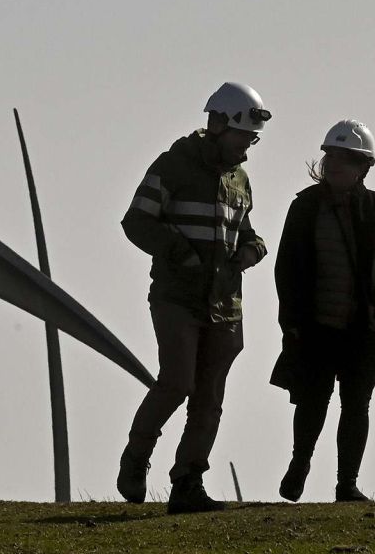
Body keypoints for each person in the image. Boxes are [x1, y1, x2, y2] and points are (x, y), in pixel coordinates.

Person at [116, 81, 272, 514]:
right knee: (178, 382)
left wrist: (251, 252)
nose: (247, 147)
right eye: (244, 136)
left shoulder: (241, 180)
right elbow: (135, 222)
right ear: (219, 125)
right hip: (177, 298)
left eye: (251, 139)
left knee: (209, 400)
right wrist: (177, 249)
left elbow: (249, 234)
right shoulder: (172, 166)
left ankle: (188, 483)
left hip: (225, 305)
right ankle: (137, 454)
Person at [270, 119, 375, 502]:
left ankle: (346, 484)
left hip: (365, 330)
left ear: (363, 166)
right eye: (331, 156)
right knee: (312, 400)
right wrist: (291, 324)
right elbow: (286, 269)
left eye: (345, 159)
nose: (334, 164)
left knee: (356, 404)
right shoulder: (304, 208)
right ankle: (299, 466)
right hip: (315, 328)